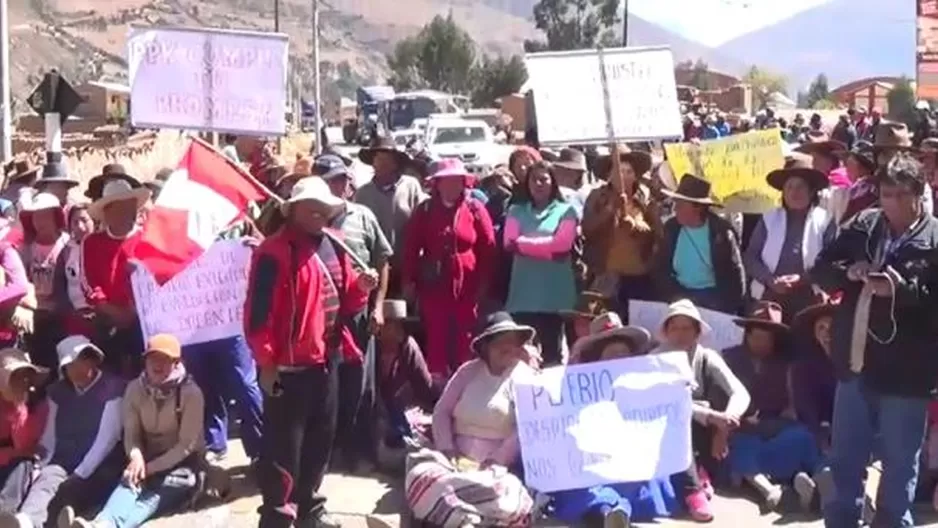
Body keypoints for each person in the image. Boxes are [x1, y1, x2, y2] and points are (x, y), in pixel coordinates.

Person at [244, 176, 378, 528]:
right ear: (294, 210)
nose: (319, 212)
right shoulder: (272, 252)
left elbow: (348, 298)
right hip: (288, 366)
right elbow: (259, 314)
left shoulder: (336, 244)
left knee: (321, 438)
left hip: (327, 359)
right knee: (283, 447)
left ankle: (309, 511)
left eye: (324, 207)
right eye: (311, 206)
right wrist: (267, 362)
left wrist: (362, 288)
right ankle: (277, 516)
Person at [813, 153, 938, 528]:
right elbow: (821, 267)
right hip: (856, 364)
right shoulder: (864, 225)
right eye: (887, 194)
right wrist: (848, 273)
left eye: (903, 195)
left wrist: (902, 290)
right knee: (846, 460)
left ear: (920, 194)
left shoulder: (934, 239)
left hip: (907, 374)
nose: (894, 203)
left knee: (900, 467)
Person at [405, 312, 535, 527]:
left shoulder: (525, 377)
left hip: (495, 470)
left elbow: (525, 427)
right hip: (453, 461)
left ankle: (459, 518)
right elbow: (441, 412)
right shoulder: (468, 372)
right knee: (421, 475)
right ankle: (469, 519)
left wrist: (497, 460)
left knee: (506, 492)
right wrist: (448, 450)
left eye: (512, 342)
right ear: (486, 347)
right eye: (500, 342)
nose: (507, 347)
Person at [63, 334, 205, 528]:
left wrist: (150, 468)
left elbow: (186, 446)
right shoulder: (134, 390)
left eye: (164, 359)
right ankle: (102, 523)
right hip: (145, 460)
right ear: (145, 361)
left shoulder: (191, 394)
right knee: (129, 480)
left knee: (157, 494)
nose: (157, 364)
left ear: (176, 362)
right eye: (152, 358)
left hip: (181, 466)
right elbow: (132, 434)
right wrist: (136, 457)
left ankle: (109, 526)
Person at [552, 313, 678, 528]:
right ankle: (610, 514)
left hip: (631, 468)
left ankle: (610, 513)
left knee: (625, 489)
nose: (619, 359)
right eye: (612, 354)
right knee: (581, 490)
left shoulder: (643, 384)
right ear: (597, 357)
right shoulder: (576, 387)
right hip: (588, 465)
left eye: (623, 353)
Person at [0, 336, 125, 528]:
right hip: (64, 458)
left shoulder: (113, 388)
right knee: (47, 480)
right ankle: (25, 521)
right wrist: (43, 465)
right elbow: (50, 435)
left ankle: (66, 521)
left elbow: (107, 439)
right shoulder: (57, 392)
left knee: (76, 488)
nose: (77, 369)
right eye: (70, 365)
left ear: (92, 359)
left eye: (82, 360)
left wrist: (79, 473)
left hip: (101, 461)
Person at [319, 154, 393, 472]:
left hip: (359, 318)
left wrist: (377, 307)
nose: (338, 186)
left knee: (362, 387)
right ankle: (329, 450)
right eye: (330, 181)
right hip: (321, 321)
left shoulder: (362, 216)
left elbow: (383, 260)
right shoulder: (308, 221)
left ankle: (359, 450)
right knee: (327, 388)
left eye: (341, 180)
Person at [721, 302, 823, 512]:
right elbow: (719, 400)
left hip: (775, 423)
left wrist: (790, 410)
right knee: (742, 446)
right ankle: (769, 491)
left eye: (769, 338)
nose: (763, 343)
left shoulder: (785, 363)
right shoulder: (727, 359)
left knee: (804, 436)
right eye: (758, 336)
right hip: (739, 427)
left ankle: (820, 483)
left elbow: (793, 402)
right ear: (747, 335)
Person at [656, 299, 750, 523]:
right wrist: (712, 417)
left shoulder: (707, 357)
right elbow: (670, 403)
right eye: (675, 328)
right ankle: (694, 491)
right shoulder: (655, 359)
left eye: (686, 328)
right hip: (666, 438)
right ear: (667, 332)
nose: (680, 334)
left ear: (697, 332)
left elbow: (740, 393)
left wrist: (726, 423)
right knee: (677, 418)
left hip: (704, 437)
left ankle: (704, 475)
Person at [401, 159, 495, 380]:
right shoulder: (424, 210)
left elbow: (488, 248)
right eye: (448, 181)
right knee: (436, 335)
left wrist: (483, 284)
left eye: (457, 181)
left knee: (466, 334)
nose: (453, 186)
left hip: (468, 286)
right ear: (437, 184)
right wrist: (409, 282)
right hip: (434, 285)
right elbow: (411, 249)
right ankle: (437, 387)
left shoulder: (475, 209)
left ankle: (468, 383)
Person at [744, 153, 836, 322]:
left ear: (811, 191)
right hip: (769, 298)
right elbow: (750, 257)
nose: (795, 192)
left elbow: (832, 263)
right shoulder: (768, 218)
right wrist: (770, 280)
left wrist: (802, 279)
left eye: (800, 186)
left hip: (810, 300)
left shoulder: (825, 220)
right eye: (790, 187)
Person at [504, 161, 577, 366]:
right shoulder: (515, 211)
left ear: (553, 182)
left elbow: (562, 245)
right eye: (534, 179)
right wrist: (548, 249)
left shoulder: (567, 211)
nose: (538, 183)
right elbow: (509, 243)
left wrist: (523, 244)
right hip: (523, 296)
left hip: (554, 296)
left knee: (553, 355)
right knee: (523, 355)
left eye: (544, 179)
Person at [582, 145, 660, 319]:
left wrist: (633, 225)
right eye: (618, 171)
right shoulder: (596, 197)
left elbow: (654, 232)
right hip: (606, 275)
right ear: (609, 175)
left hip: (638, 275)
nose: (623, 176)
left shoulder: (645, 197)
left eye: (628, 171)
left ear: (635, 175)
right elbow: (588, 228)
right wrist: (610, 209)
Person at [655, 175, 746, 314]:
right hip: (679, 296)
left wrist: (728, 308)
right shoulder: (671, 228)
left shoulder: (721, 232)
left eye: (680, 204)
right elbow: (660, 267)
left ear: (697, 207)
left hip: (714, 300)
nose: (675, 209)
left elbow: (735, 274)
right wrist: (671, 294)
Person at [355, 136, 425, 297]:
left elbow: (421, 221)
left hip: (406, 265)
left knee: (405, 315)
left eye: (388, 158)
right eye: (378, 158)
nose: (383, 163)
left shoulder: (410, 186)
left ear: (396, 163)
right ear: (372, 162)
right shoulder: (363, 193)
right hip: (374, 267)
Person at [373, 300, 438, 473]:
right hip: (372, 408)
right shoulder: (371, 347)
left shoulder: (408, 347)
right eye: (393, 326)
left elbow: (424, 385)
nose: (399, 331)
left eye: (401, 327)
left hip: (399, 408)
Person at [18, 193, 69, 371]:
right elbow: (21, 279)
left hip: (61, 319)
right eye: (36, 216)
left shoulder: (67, 245)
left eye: (45, 215)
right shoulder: (26, 249)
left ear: (56, 217)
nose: (40, 221)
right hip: (33, 318)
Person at [0, 349, 48, 515]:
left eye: (27, 376)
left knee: (22, 464)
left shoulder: (36, 406)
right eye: (17, 375)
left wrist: (21, 407)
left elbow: (25, 446)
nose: (24, 381)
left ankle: (5, 515)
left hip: (16, 465)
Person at [789, 294, 838, 456]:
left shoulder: (864, 362)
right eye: (821, 328)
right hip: (818, 432)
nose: (827, 333)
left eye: (833, 327)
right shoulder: (804, 367)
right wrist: (821, 433)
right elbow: (807, 409)